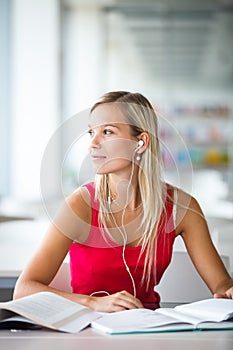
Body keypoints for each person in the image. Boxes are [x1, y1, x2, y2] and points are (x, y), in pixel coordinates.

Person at [13, 91, 233, 312]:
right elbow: (24, 289)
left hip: (149, 330)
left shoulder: (182, 208)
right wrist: (93, 302)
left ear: (141, 142)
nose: (92, 144)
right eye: (91, 132)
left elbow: (222, 285)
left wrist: (228, 290)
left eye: (107, 132)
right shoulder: (80, 206)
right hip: (85, 331)